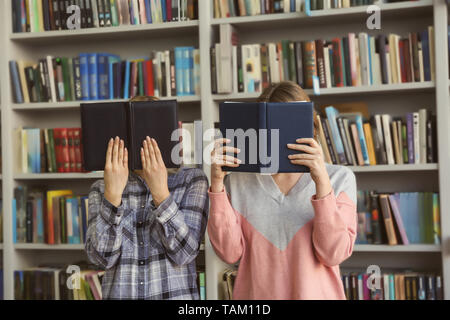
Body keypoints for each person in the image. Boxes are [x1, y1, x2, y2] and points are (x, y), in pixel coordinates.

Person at [208, 81, 357, 300]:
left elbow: (333, 254)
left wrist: (322, 184)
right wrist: (218, 185)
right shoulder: (238, 181)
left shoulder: (339, 178)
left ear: (311, 126)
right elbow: (229, 253)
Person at [85, 96, 209, 300]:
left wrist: (160, 191)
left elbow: (184, 253)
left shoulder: (192, 181)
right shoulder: (101, 189)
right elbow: (102, 259)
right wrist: (113, 196)